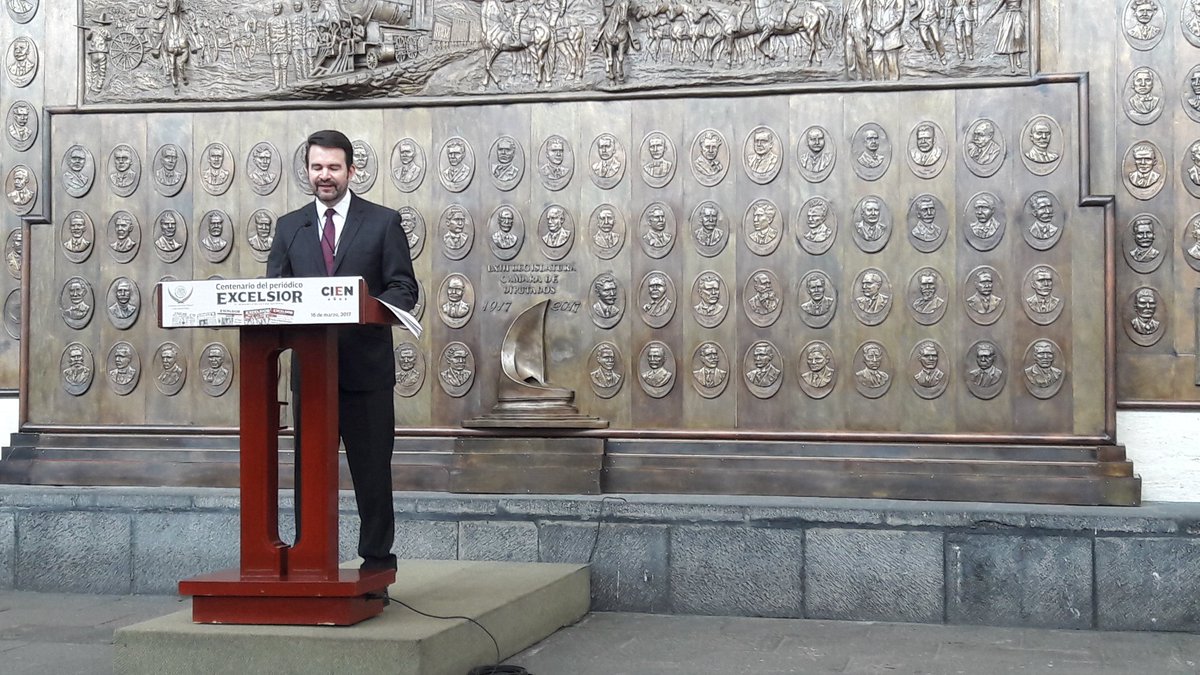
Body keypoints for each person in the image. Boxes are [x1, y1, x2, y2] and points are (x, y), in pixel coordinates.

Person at [267, 129, 419, 572]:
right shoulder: (289, 228)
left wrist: (366, 305)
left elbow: (404, 288)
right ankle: (307, 561)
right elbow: (274, 293)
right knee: (309, 476)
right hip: (311, 377)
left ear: (351, 171)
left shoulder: (382, 222)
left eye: (334, 167)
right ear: (308, 171)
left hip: (366, 374)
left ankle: (376, 566)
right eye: (317, 167)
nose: (325, 176)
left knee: (372, 477)